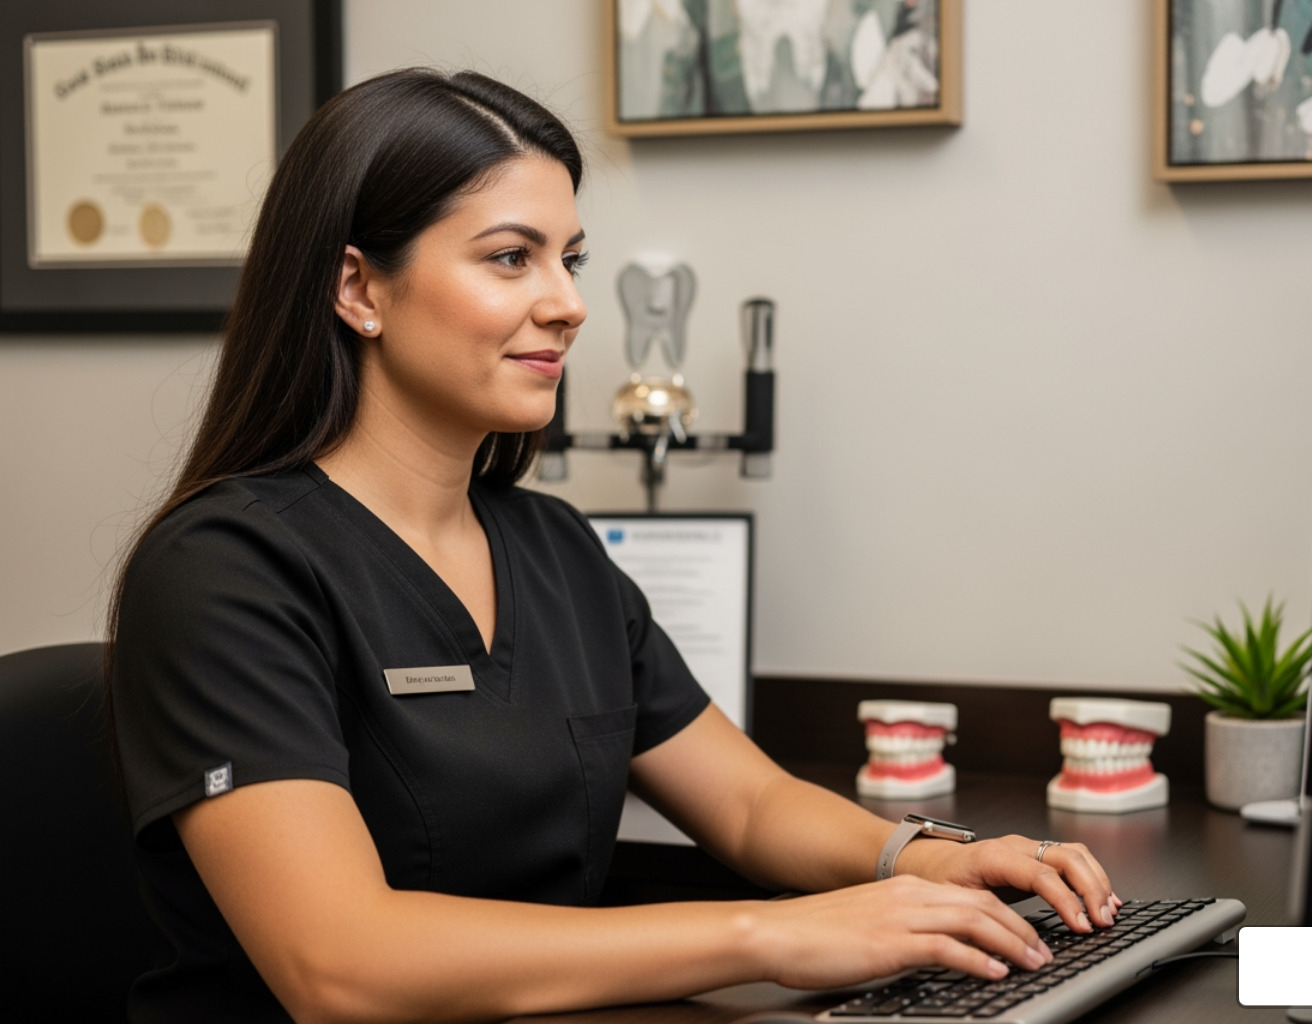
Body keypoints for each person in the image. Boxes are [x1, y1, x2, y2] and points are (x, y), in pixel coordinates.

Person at [107, 68, 1119, 1024]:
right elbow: (339, 964)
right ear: (360, 289)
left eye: (570, 257)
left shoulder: (552, 545)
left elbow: (751, 801)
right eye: (512, 257)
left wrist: (919, 857)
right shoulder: (224, 568)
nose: (569, 302)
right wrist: (773, 935)